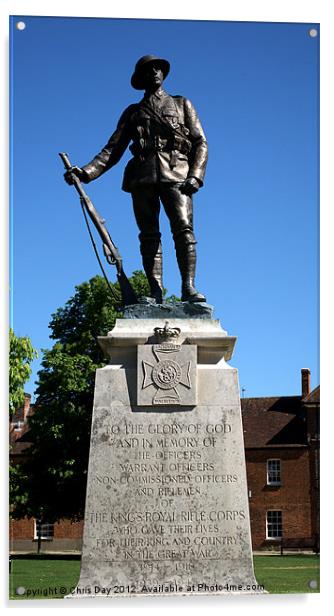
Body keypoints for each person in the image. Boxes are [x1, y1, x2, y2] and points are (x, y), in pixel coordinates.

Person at [65, 54, 208, 303]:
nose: (154, 72)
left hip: (178, 175)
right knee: (149, 235)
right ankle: (155, 292)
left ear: (163, 74)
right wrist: (86, 172)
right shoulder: (133, 112)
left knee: (184, 230)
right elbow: (112, 150)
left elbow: (200, 143)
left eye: (157, 68)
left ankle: (189, 288)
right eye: (148, 70)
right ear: (140, 79)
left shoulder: (182, 103)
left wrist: (196, 175)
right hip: (142, 177)